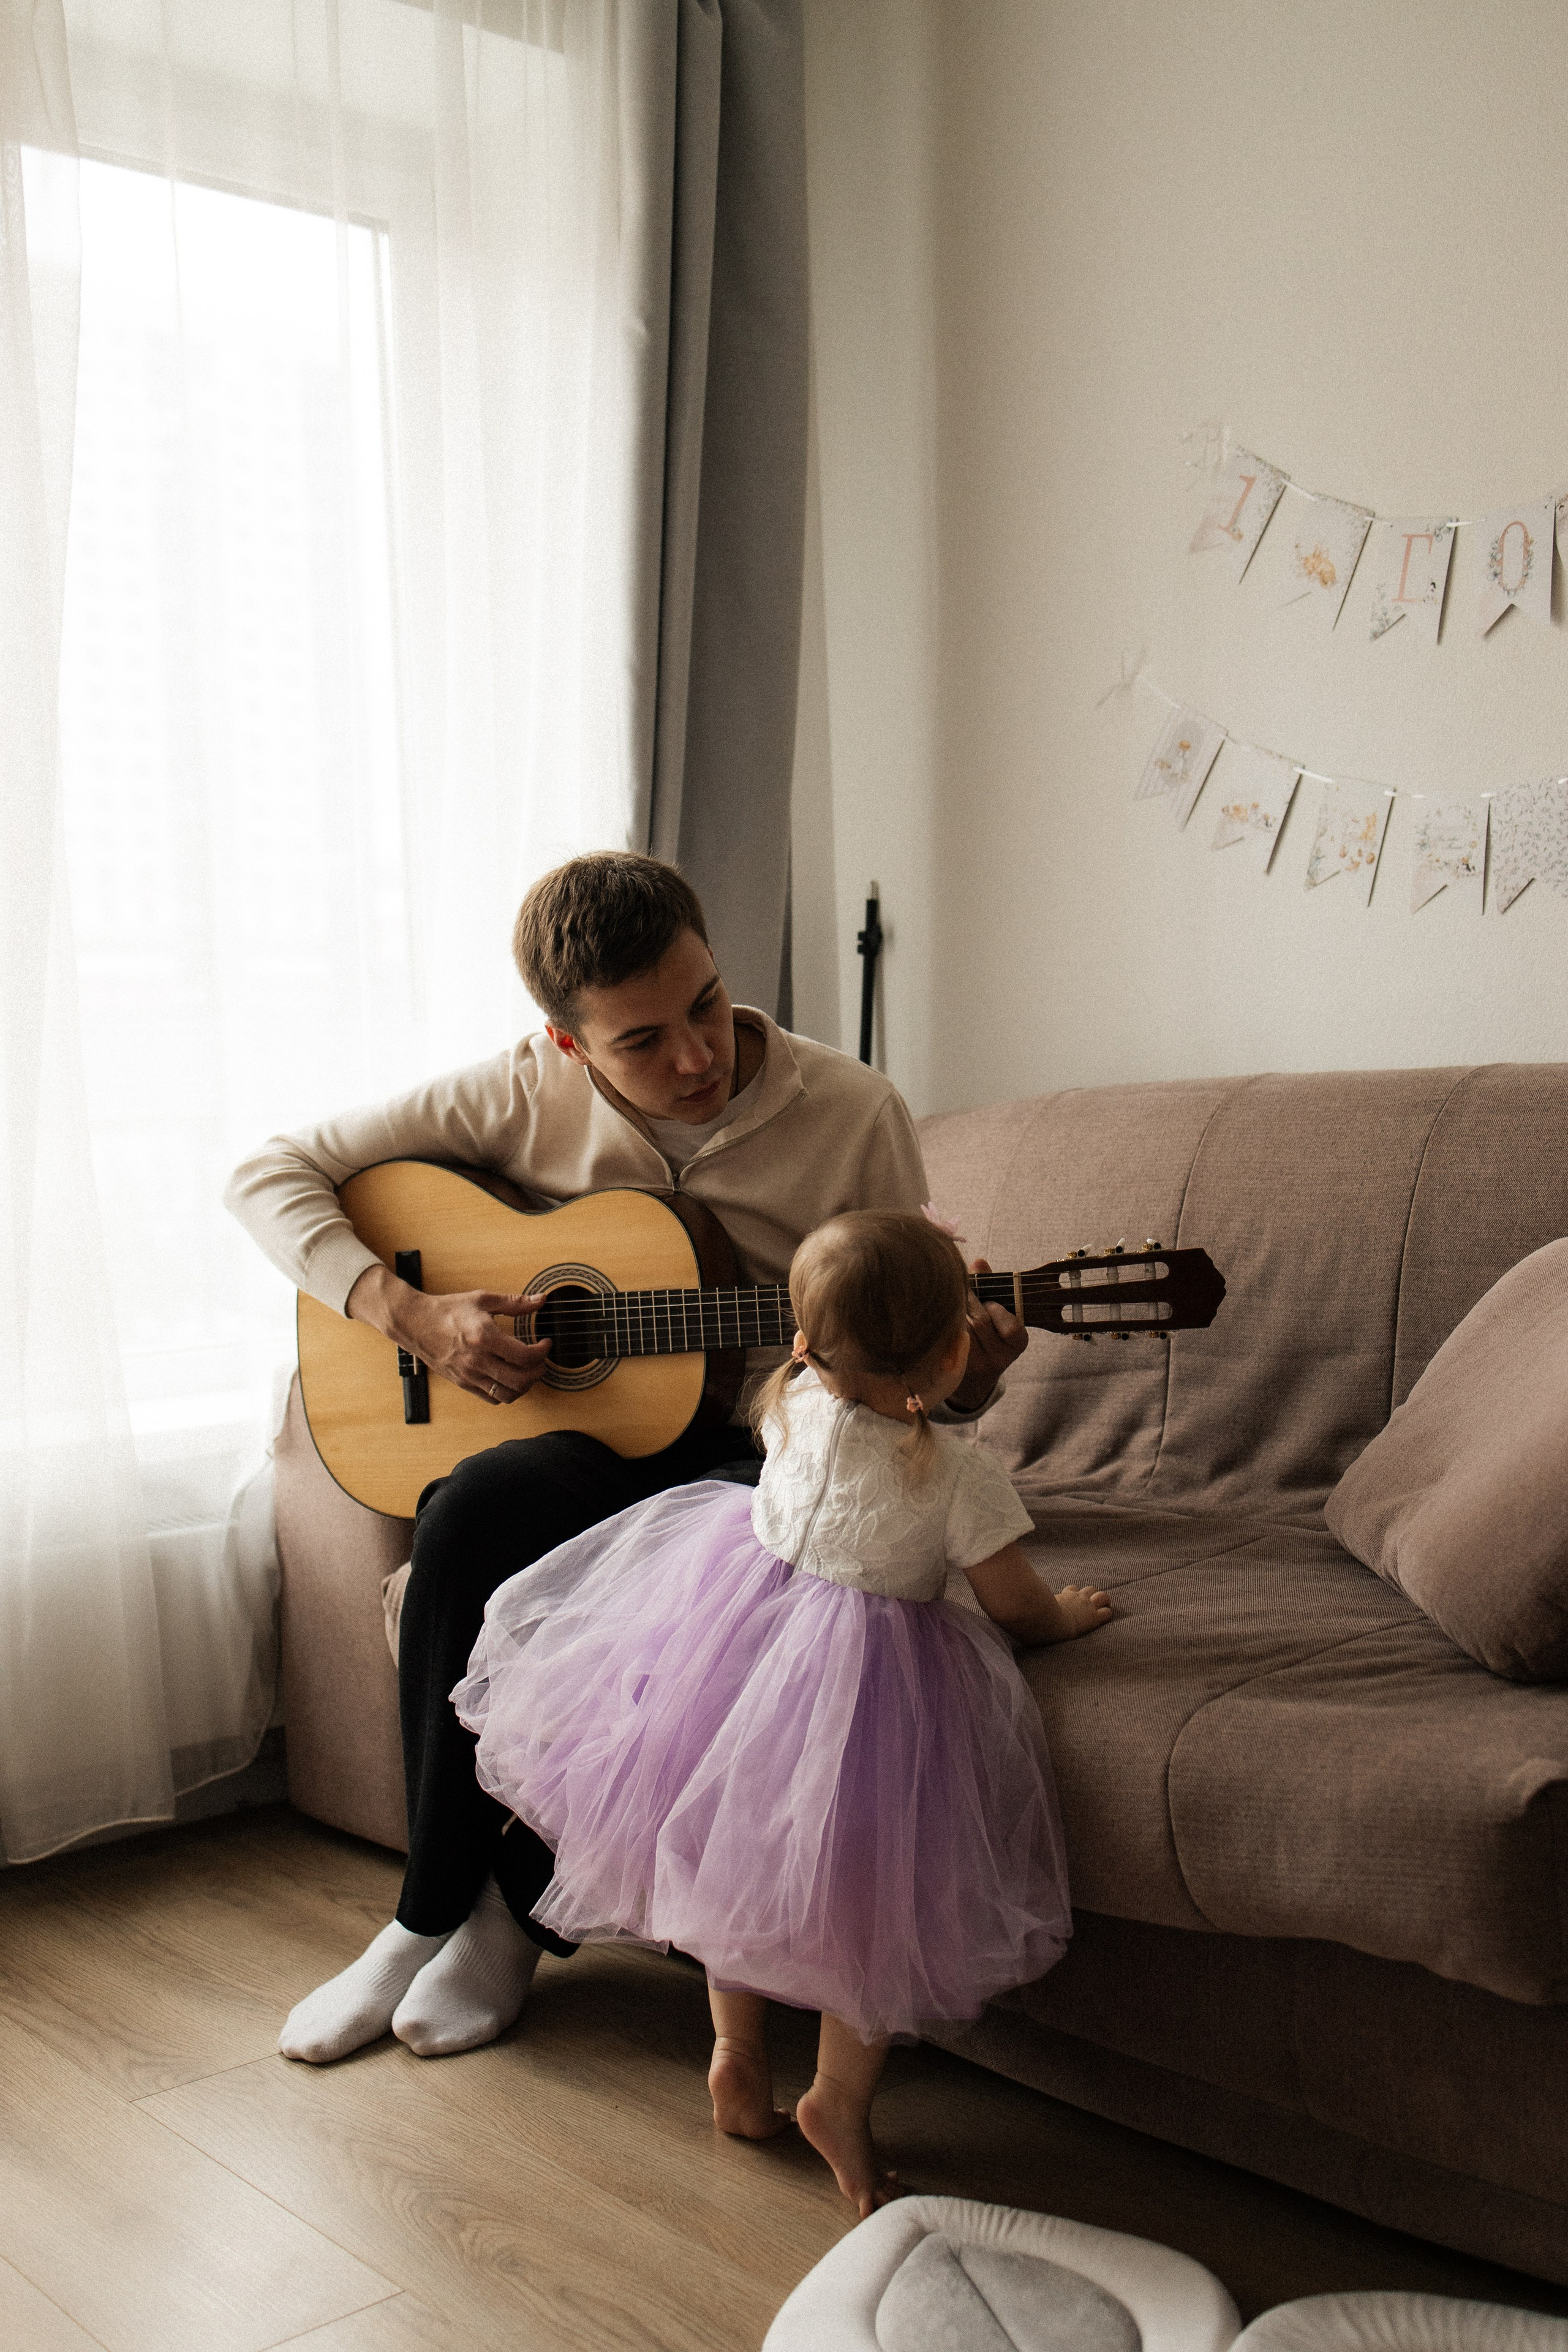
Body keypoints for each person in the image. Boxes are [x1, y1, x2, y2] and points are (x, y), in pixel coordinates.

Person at [225, 853, 1027, 2063]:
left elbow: (910, 1372)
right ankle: (416, 1915)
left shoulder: (851, 1111)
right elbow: (263, 1173)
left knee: (745, 1601)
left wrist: (969, 1363)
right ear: (562, 1042)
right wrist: (413, 1313)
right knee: (465, 1511)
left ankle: (512, 1914)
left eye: (704, 1004)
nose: (695, 1057)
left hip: (773, 1454)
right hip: (592, 1439)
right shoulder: (515, 1094)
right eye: (641, 1041)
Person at [451, 1210, 1113, 2215]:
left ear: (802, 1341)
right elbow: (1016, 1604)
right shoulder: (959, 1476)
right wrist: (1064, 1620)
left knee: (735, 1863)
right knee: (871, 1908)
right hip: (871, 1674)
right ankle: (837, 2103)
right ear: (950, 1354)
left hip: (736, 1631)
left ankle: (735, 2056)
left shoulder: (794, 1399)